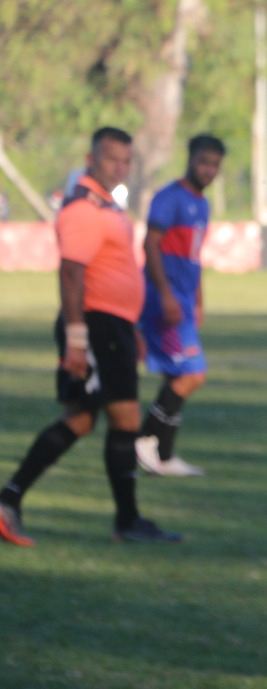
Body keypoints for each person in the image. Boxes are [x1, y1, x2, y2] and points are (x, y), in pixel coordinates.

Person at [0, 127, 182, 547]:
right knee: (103, 420)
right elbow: (71, 274)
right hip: (94, 326)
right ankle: (120, 519)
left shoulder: (107, 206)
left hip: (113, 327)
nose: (119, 167)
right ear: (91, 158)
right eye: (110, 159)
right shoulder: (82, 209)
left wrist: (131, 326)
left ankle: (124, 520)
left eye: (125, 160)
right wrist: (77, 339)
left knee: (99, 420)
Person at [135, 134, 226, 476]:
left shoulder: (202, 205)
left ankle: (165, 455)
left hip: (184, 302)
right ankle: (144, 439)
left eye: (214, 165)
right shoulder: (169, 198)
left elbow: (193, 257)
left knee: (177, 376)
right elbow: (151, 244)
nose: (208, 170)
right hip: (164, 301)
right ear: (189, 159)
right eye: (203, 162)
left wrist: (198, 299)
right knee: (193, 373)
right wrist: (166, 294)